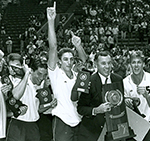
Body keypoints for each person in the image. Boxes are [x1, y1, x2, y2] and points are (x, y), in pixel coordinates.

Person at [47, 2, 87, 141]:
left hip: (78, 120)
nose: (69, 62)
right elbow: (53, 47)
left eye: (71, 59)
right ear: (60, 62)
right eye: (65, 59)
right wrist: (51, 21)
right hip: (62, 121)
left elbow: (85, 63)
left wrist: (78, 45)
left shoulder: (77, 75)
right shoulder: (56, 74)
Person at [77, 51, 123, 141]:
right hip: (93, 131)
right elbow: (80, 108)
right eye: (103, 63)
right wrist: (97, 110)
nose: (107, 66)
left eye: (109, 63)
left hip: (113, 130)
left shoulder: (118, 79)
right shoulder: (89, 81)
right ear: (96, 64)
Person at [6, 57, 48, 141]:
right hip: (18, 125)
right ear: (31, 71)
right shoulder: (19, 81)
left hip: (33, 126)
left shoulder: (42, 86)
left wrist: (50, 105)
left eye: (44, 75)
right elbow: (15, 95)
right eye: (39, 74)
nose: (42, 77)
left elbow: (38, 110)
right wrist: (26, 74)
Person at [123, 50, 150, 141]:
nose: (136, 65)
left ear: (143, 64)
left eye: (139, 62)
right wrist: (126, 101)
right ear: (130, 64)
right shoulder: (125, 82)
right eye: (133, 62)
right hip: (134, 124)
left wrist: (146, 95)